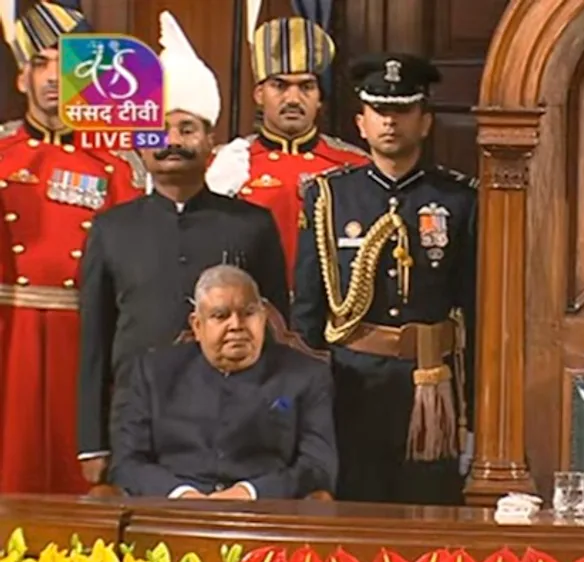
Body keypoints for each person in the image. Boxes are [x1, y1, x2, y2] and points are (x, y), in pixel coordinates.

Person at [77, 12, 290, 487]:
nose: (172, 141)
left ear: (210, 139)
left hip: (237, 423)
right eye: (159, 129)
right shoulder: (111, 229)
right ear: (138, 141)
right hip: (134, 424)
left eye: (187, 129)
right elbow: (93, 342)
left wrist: (281, 424)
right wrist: (91, 441)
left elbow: (280, 334)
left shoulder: (252, 225)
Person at [293, 52, 477, 505]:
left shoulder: (458, 198)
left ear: (426, 122)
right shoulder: (329, 196)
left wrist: (474, 408)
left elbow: (476, 305)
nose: (390, 122)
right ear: (361, 123)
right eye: (380, 111)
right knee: (355, 507)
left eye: (403, 111)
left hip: (431, 382)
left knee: (430, 509)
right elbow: (309, 311)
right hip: (351, 382)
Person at [0, 2, 145, 495]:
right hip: (9, 330)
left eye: (65, 64)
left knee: (75, 473)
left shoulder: (115, 162)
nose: (51, 77)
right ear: (22, 78)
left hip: (83, 335)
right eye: (40, 63)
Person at [110, 265, 337, 499]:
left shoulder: (305, 375)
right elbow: (126, 464)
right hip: (173, 512)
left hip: (265, 513)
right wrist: (181, 495)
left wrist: (249, 493)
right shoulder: (153, 374)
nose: (236, 325)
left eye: (248, 313)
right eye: (220, 316)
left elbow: (318, 468)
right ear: (197, 325)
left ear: (263, 318)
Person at [204, 13, 368, 286]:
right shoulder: (223, 165)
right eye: (279, 85)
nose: (293, 98)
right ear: (259, 95)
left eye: (306, 86)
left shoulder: (355, 165)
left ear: (319, 98)